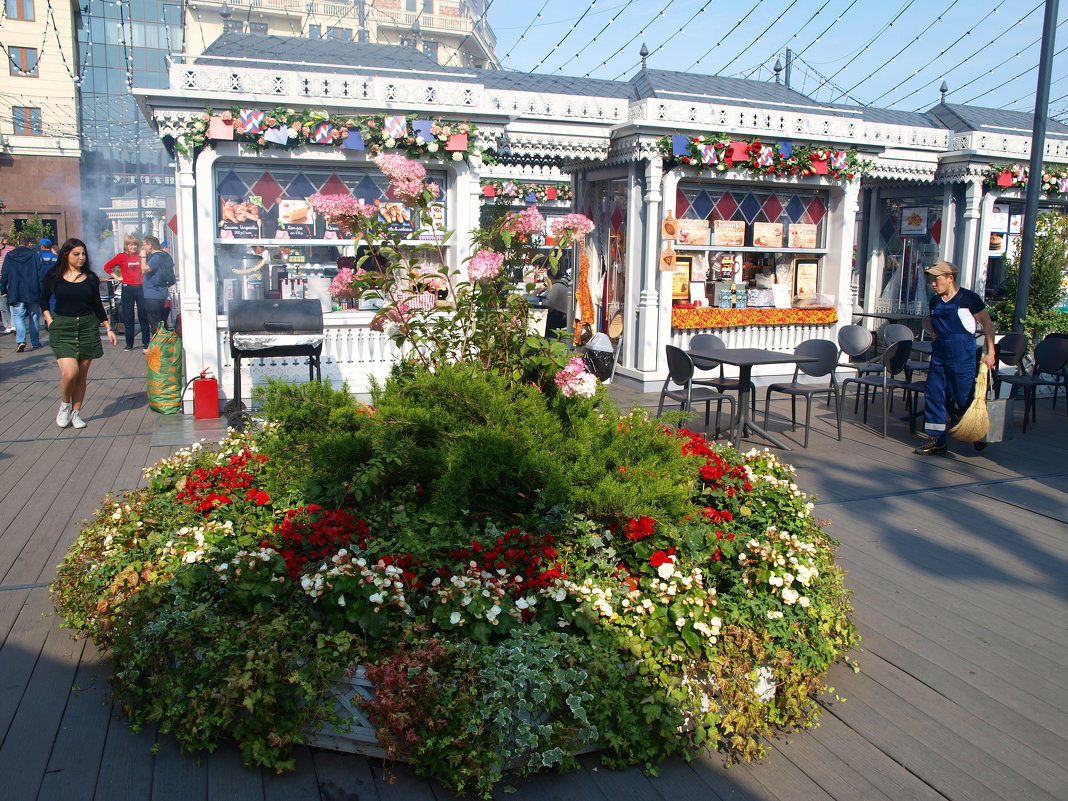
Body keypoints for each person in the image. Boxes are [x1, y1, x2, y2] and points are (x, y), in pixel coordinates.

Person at [914, 261, 997, 456]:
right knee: (934, 395)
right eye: (931, 280)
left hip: (963, 355)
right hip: (940, 354)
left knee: (964, 396)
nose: (933, 284)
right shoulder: (934, 301)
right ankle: (937, 440)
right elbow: (935, 330)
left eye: (936, 280)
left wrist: (990, 353)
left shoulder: (969, 299)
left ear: (950, 278)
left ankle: (977, 430)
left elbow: (988, 326)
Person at [40, 238, 118, 429]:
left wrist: (108, 328)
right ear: (66, 255)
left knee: (82, 375)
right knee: (70, 372)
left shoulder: (90, 278)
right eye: (76, 254)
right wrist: (49, 320)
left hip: (87, 327)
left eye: (83, 254)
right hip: (62, 328)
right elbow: (43, 300)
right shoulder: (54, 276)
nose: (81, 257)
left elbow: (97, 305)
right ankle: (65, 406)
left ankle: (76, 413)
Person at [103, 234, 150, 350]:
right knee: (128, 317)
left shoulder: (141, 256)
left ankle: (146, 343)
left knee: (143, 316)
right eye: (131, 245)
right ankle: (129, 344)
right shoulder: (121, 256)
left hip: (140, 288)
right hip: (127, 288)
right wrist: (117, 277)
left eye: (135, 245)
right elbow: (107, 267)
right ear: (126, 246)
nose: (133, 247)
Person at [0, 232, 45, 351]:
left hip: (16, 290)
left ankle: (21, 340)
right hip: (33, 289)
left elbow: (4, 274)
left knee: (18, 316)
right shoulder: (34, 255)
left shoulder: (10, 255)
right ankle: (35, 342)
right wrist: (43, 290)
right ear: (29, 244)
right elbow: (40, 274)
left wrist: (3, 289)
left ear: (18, 242)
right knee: (34, 315)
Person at [140, 235, 175, 336]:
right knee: (162, 323)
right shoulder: (165, 255)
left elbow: (145, 269)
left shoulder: (157, 257)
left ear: (150, 245)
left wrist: (143, 256)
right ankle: (165, 346)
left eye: (144, 245)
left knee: (156, 324)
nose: (143, 248)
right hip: (162, 294)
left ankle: (159, 349)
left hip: (153, 295)